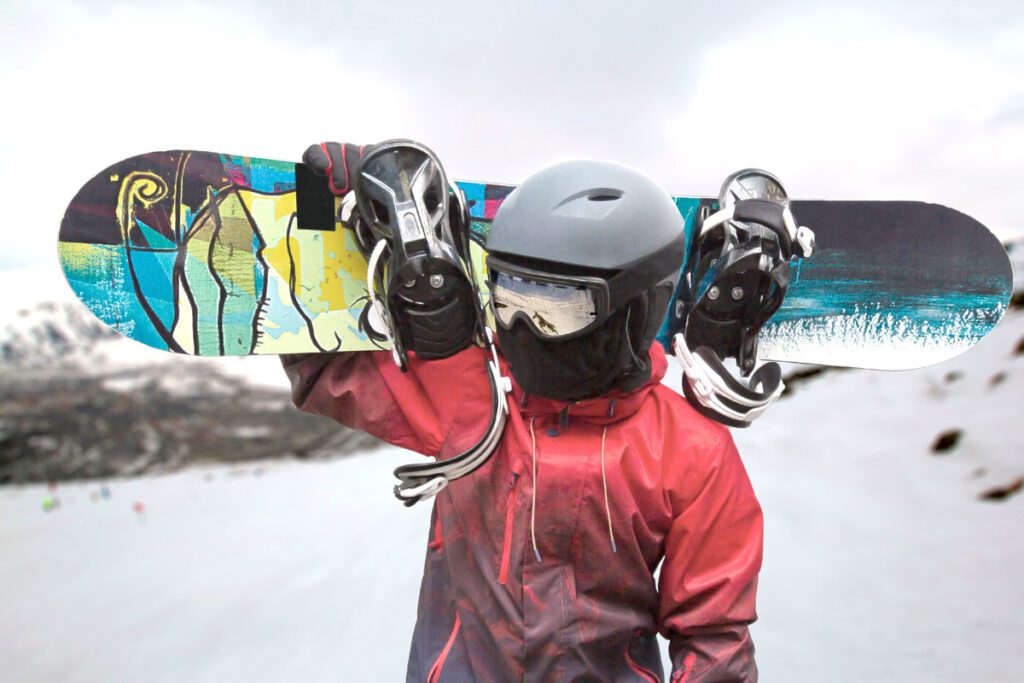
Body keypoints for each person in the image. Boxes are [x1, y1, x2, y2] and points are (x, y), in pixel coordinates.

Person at [283, 141, 763, 682]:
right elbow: (320, 359)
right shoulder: (476, 401)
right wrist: (314, 206)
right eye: (507, 300)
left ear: (635, 311)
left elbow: (713, 637)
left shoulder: (688, 453)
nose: (522, 331)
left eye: (555, 310)